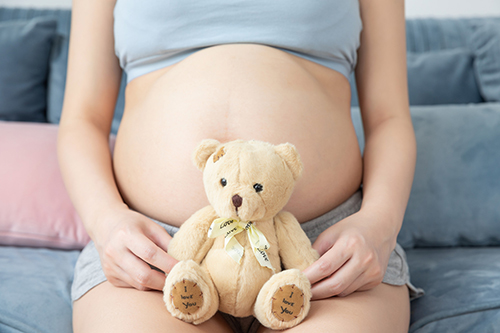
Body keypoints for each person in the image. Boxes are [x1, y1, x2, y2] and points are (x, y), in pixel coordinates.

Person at [58, 0, 425, 332]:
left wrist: (379, 225)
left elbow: (389, 118)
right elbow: (81, 121)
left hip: (323, 255)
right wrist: (107, 223)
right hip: (159, 254)